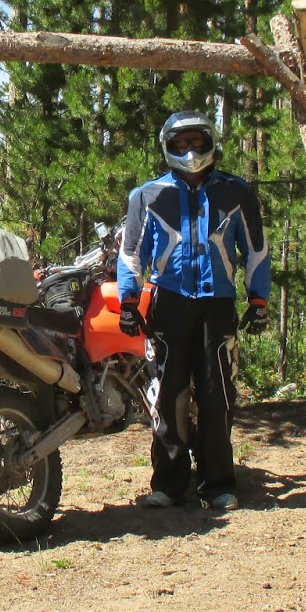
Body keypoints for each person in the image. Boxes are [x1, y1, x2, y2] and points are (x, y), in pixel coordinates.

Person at [116, 110, 271, 510]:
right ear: (168, 147)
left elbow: (256, 249)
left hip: (217, 304)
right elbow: (131, 253)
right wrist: (128, 302)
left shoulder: (235, 192)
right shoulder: (147, 195)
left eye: (196, 141)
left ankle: (218, 484)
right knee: (167, 394)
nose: (189, 150)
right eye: (180, 143)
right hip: (168, 303)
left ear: (210, 142)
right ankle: (169, 485)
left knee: (218, 392)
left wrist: (259, 299)